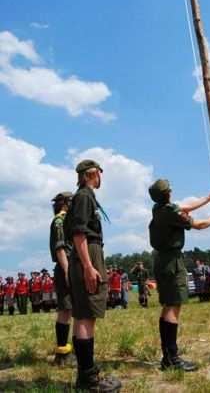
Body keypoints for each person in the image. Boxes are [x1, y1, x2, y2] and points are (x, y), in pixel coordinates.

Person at [148, 178, 210, 371]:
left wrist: (208, 198)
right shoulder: (171, 212)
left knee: (167, 307)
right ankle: (172, 359)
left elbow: (186, 207)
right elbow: (198, 225)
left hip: (162, 261)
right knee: (173, 307)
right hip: (172, 262)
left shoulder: (158, 209)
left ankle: (168, 357)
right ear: (168, 193)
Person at [64, 159, 121, 392]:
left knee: (82, 316)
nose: (101, 177)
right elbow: (79, 233)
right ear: (92, 174)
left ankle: (85, 376)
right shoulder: (85, 196)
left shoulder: (83, 196)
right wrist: (89, 266)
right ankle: (89, 381)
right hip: (88, 253)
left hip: (86, 253)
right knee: (87, 316)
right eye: (100, 173)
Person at [50, 191, 74, 365]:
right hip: (65, 267)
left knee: (71, 310)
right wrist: (67, 272)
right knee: (65, 310)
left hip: (71, 266)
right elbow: (60, 249)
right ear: (65, 203)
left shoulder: (68, 219)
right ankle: (62, 353)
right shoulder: (60, 220)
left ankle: (68, 350)